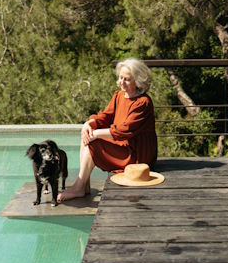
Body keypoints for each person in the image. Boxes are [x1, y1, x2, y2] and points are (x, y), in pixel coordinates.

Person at [57, 58, 158, 203]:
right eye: (120, 77)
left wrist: (96, 134)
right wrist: (89, 124)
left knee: (93, 141)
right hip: (121, 146)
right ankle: (84, 185)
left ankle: (79, 187)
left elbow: (123, 130)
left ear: (138, 80)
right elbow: (105, 116)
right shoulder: (119, 96)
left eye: (127, 79)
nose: (122, 82)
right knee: (86, 135)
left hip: (137, 154)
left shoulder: (143, 103)